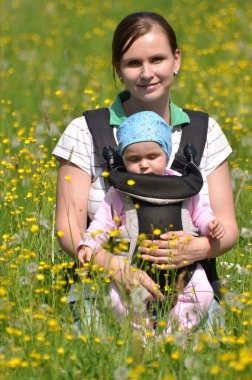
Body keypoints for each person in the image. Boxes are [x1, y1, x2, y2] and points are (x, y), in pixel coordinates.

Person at [53, 11, 238, 326]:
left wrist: (199, 248)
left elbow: (228, 229)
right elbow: (68, 228)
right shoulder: (85, 131)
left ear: (176, 60)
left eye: (157, 59)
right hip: (106, 288)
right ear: (118, 69)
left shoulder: (205, 130)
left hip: (188, 289)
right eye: (133, 63)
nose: (146, 73)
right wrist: (115, 267)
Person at [77, 110, 226, 332]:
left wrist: (210, 226)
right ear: (123, 159)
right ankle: (141, 333)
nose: (144, 165)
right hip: (132, 266)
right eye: (134, 159)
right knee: (117, 298)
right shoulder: (120, 192)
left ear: (166, 154)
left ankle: (175, 332)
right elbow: (103, 223)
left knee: (202, 293)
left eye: (152, 156)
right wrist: (89, 243)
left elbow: (200, 214)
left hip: (184, 268)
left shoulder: (185, 186)